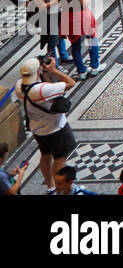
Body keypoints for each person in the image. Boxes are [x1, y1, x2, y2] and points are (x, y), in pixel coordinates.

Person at [17, 56, 77, 192]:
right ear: (37, 71)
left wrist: (44, 73)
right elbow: (71, 83)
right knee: (59, 158)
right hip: (55, 128)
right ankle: (60, 189)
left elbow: (48, 88)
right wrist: (54, 70)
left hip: (38, 129)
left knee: (45, 156)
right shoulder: (40, 90)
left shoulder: (19, 86)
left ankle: (50, 187)